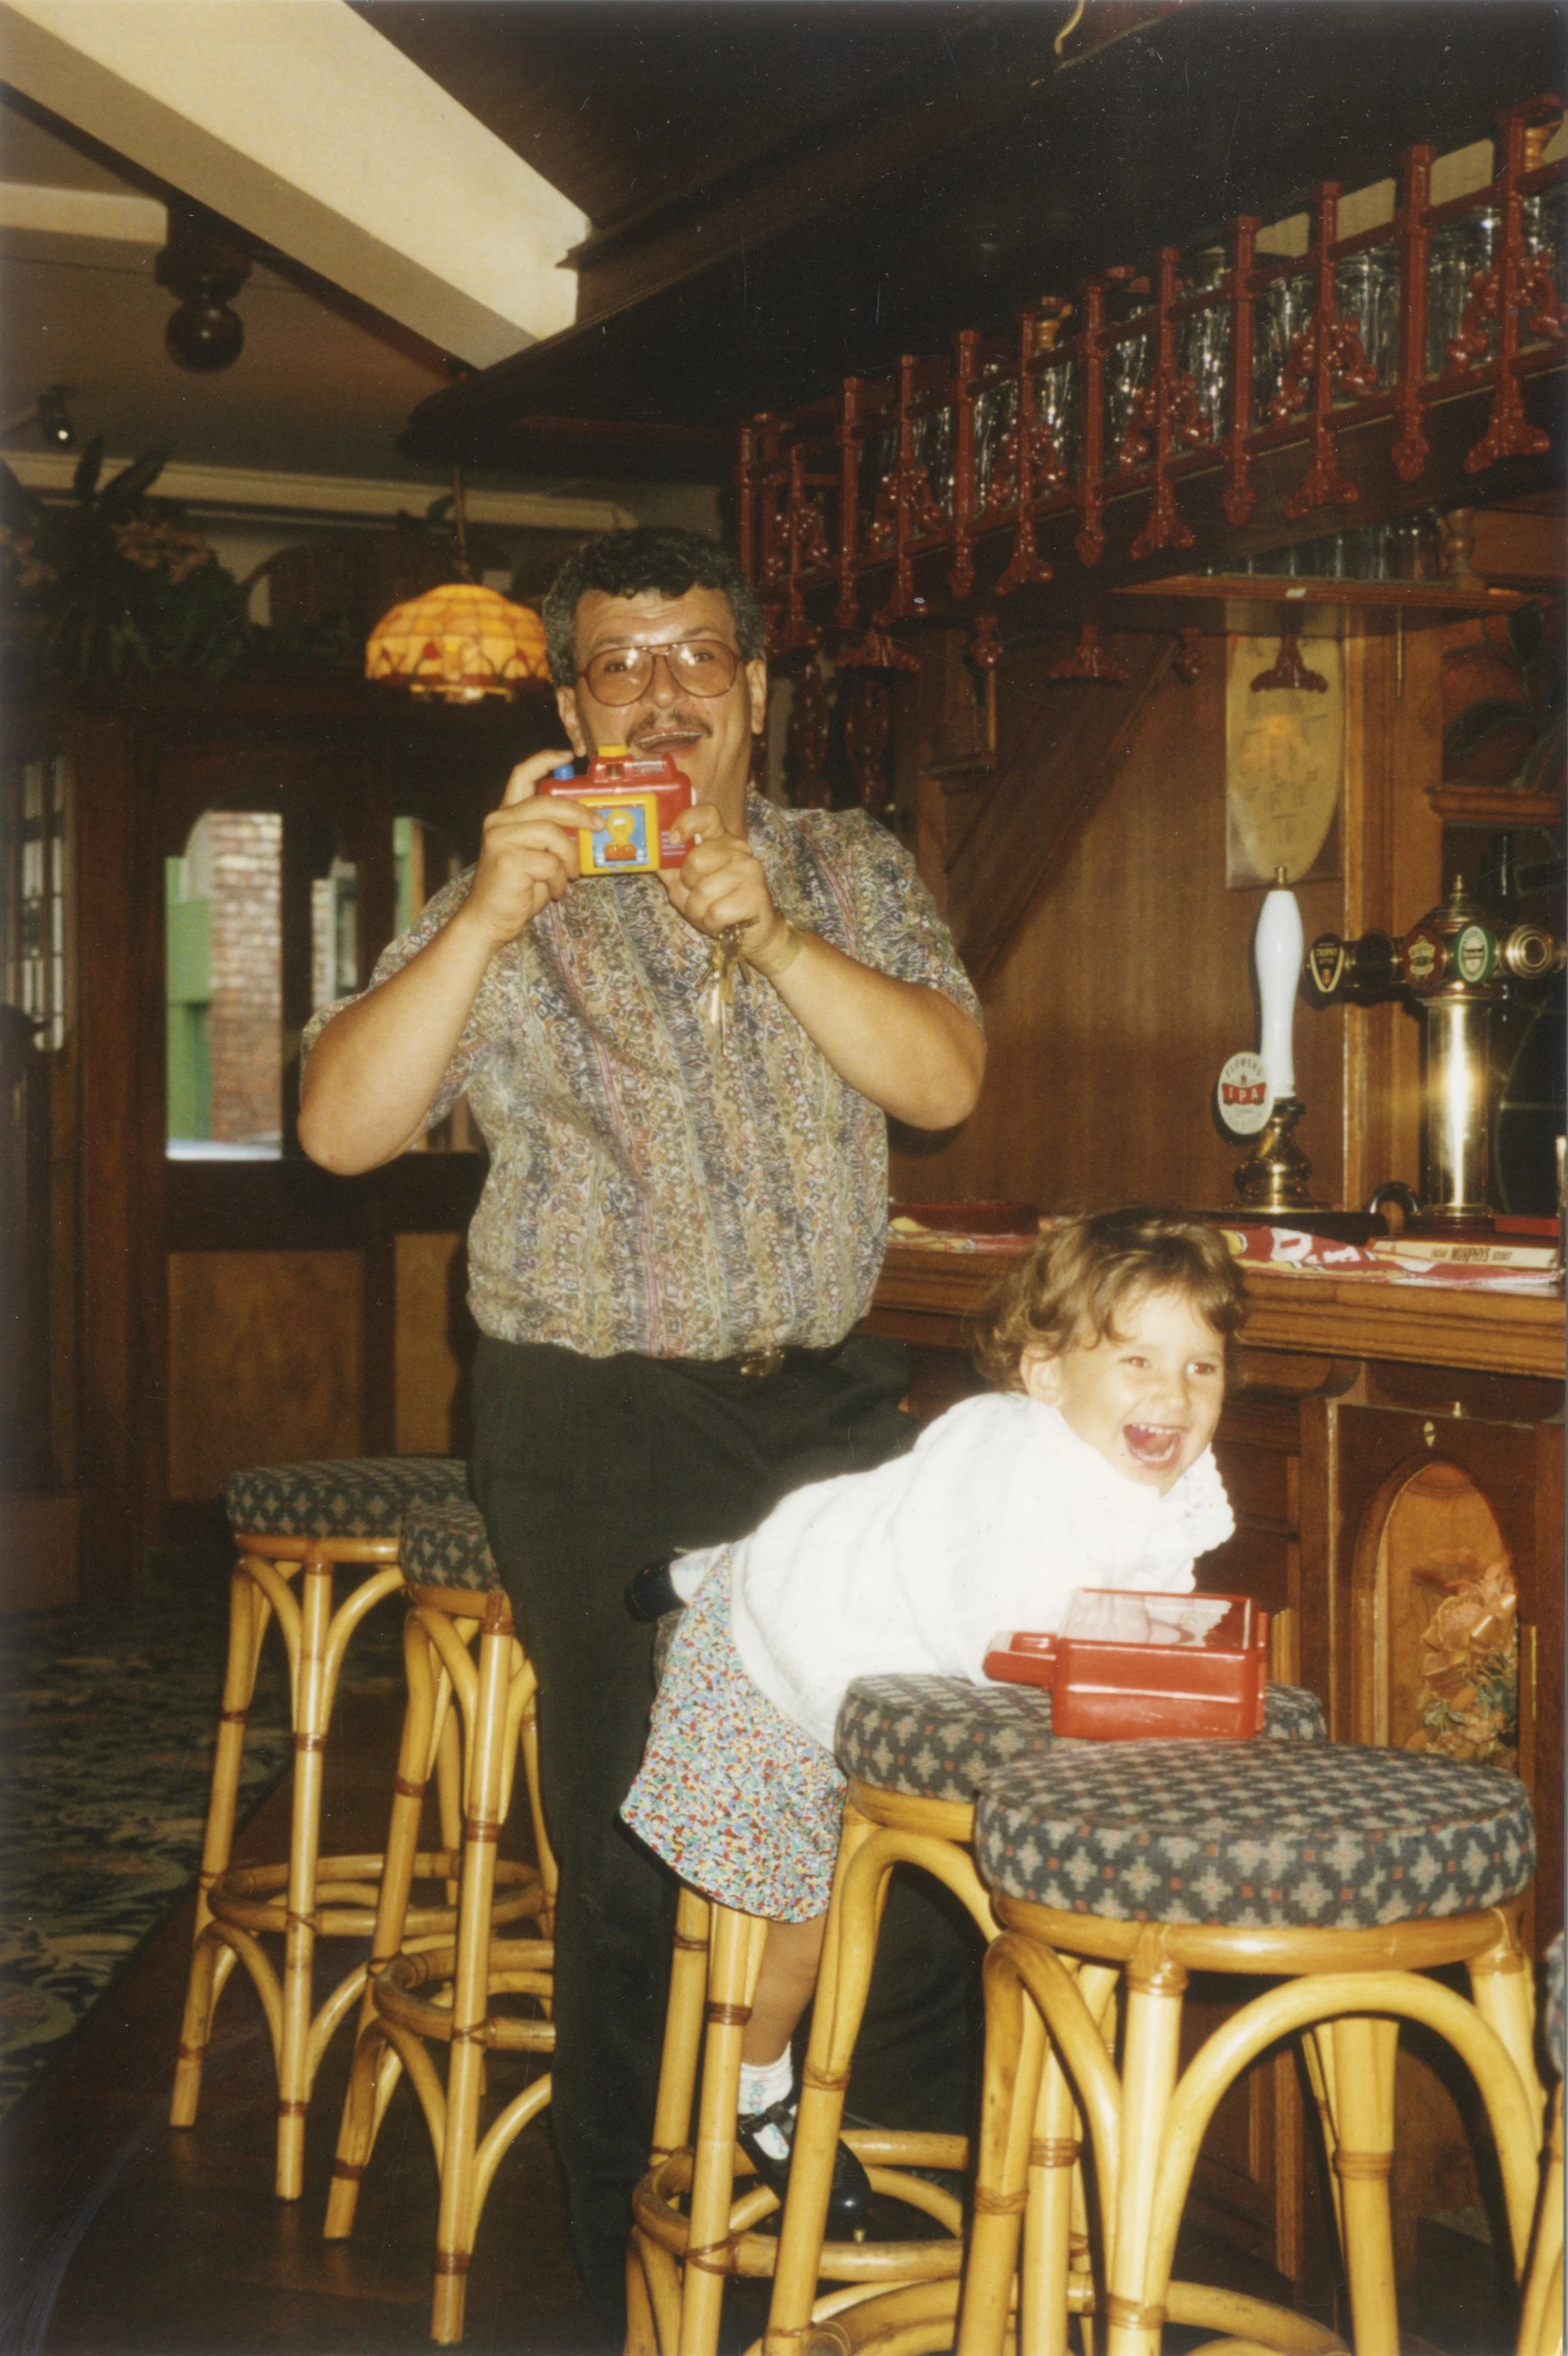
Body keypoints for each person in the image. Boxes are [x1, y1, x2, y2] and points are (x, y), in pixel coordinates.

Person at [297, 526, 986, 2326]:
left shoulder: (848, 869)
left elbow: (946, 1079)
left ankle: (884, 2242)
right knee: (647, 1843)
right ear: (568, 701)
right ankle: (632, 2272)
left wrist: (765, 932)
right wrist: (486, 914)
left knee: (900, 1793)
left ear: (756, 693)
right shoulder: (503, 894)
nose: (663, 691)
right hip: (590, 1409)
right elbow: (341, 1131)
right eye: (623, 662)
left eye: (698, 657)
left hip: (828, 1408)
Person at [621, 1208, 1243, 2212]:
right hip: (779, 1652)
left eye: (1201, 1368)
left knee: (825, 1532)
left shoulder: (1146, 1476)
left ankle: (698, 1566)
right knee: (799, 1918)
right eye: (1135, 1361)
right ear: (1044, 1373)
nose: (1172, 1395)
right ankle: (752, 2083)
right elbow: (979, 1630)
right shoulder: (1007, 1468)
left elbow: (1143, 1603)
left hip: (849, 1585)